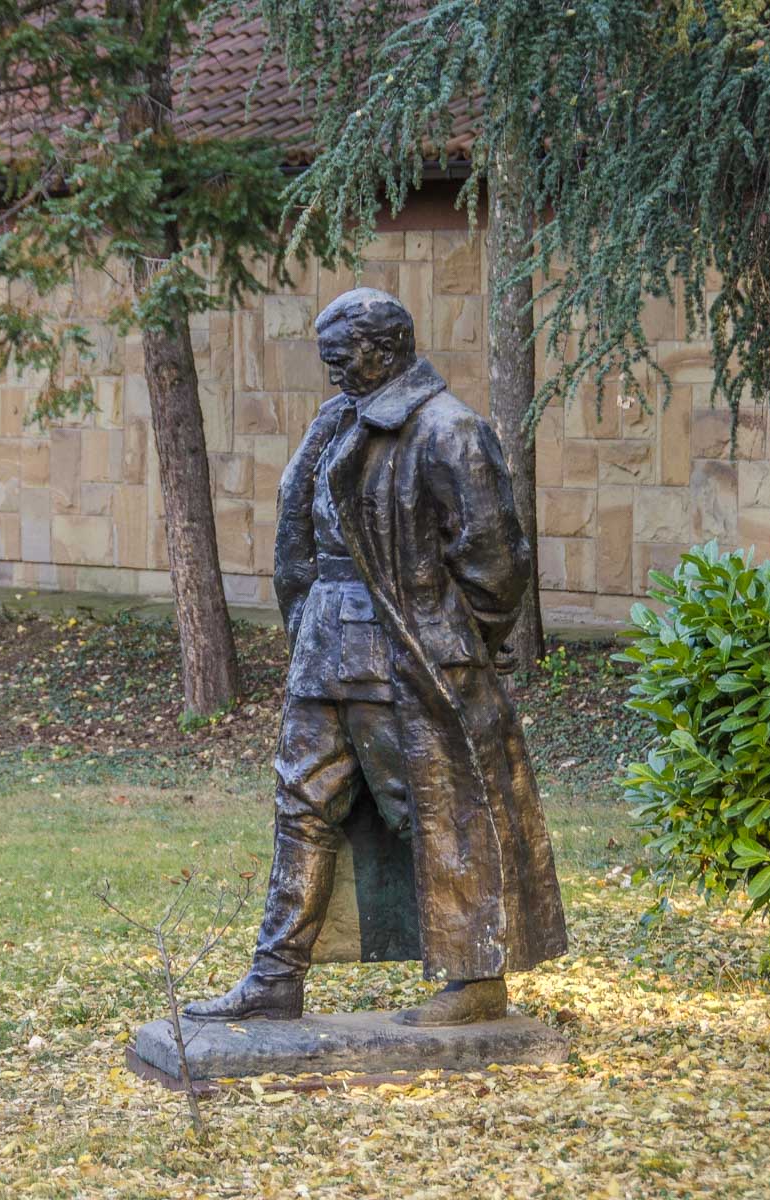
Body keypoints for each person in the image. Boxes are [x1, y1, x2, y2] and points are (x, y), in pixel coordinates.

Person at [185, 287, 566, 1026]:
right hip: (326, 645)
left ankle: (477, 975)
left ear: (385, 349)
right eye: (325, 356)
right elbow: (302, 535)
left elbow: (496, 564)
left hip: (405, 655)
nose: (330, 370)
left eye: (342, 355)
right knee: (301, 804)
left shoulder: (449, 431)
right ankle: (276, 976)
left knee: (432, 809)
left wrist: (453, 647)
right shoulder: (337, 423)